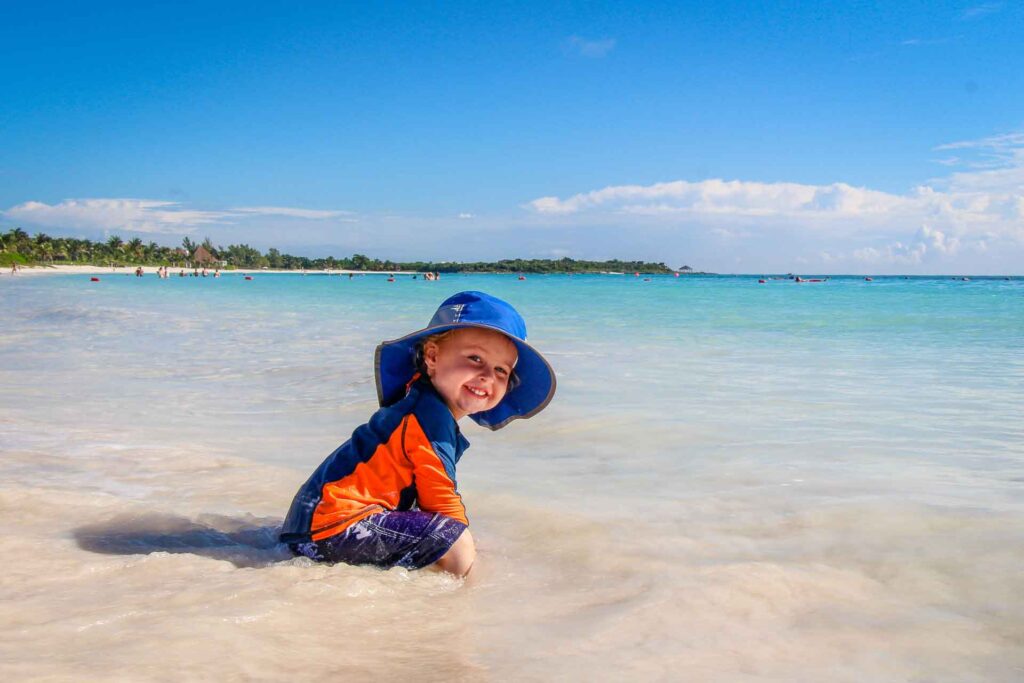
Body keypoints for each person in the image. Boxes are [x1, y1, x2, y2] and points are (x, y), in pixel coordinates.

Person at [280, 291, 556, 577]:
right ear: (432, 356)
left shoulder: (420, 400)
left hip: (310, 524)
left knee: (444, 532)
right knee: (457, 543)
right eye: (475, 358)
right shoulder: (428, 418)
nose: (488, 375)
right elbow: (441, 499)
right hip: (331, 528)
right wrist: (462, 549)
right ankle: (462, 596)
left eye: (501, 370)